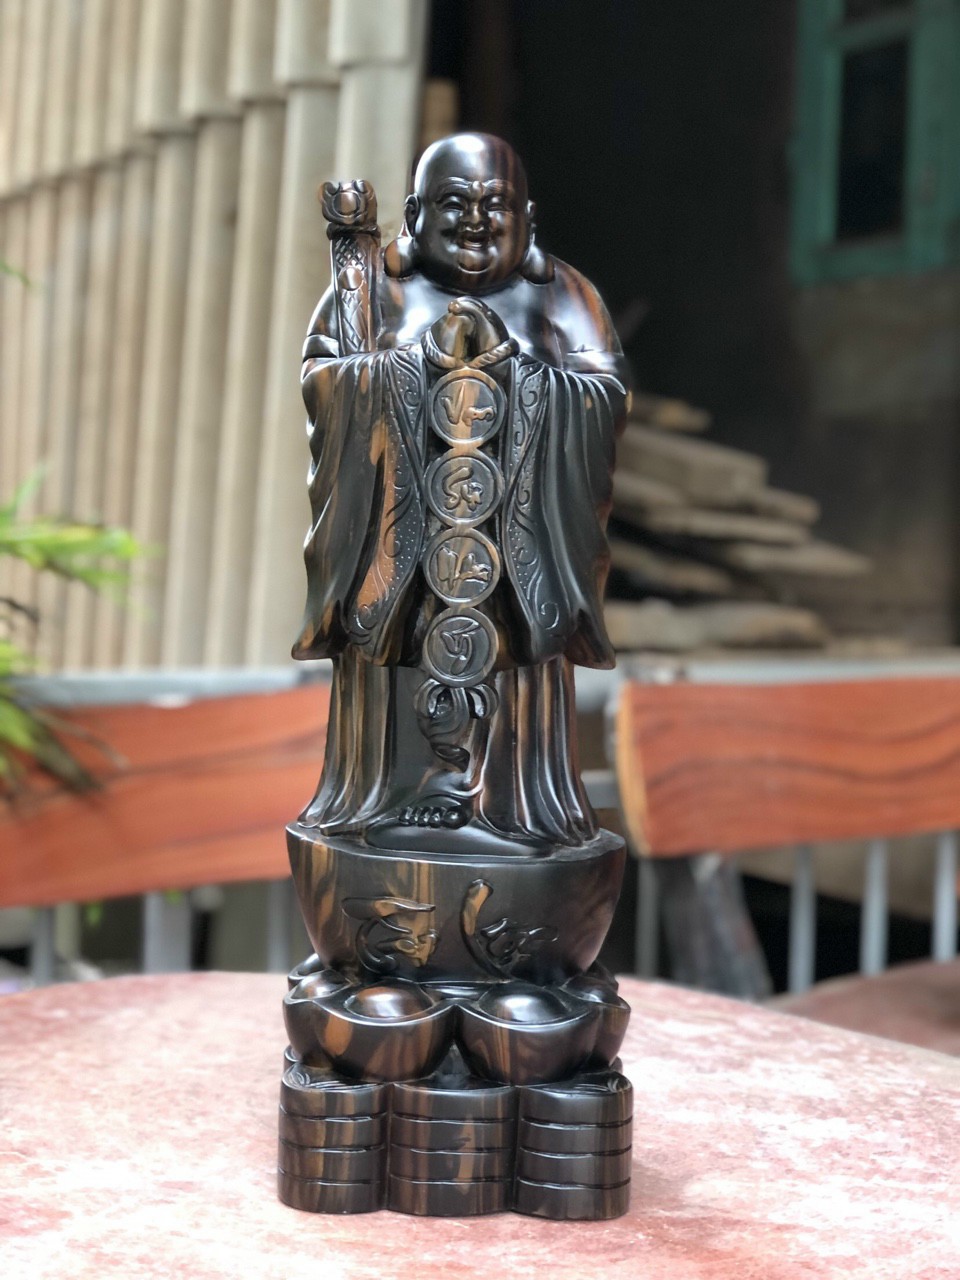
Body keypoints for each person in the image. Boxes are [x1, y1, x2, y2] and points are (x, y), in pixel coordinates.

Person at [294, 133, 629, 853]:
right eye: (454, 203)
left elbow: (604, 400)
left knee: (513, 703)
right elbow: (326, 384)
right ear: (413, 216)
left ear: (527, 220)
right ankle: (383, 803)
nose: (476, 219)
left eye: (495, 204)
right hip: (402, 566)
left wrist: (511, 371)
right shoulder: (371, 293)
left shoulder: (564, 296)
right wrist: (414, 369)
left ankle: (511, 813)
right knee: (392, 722)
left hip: (513, 568)